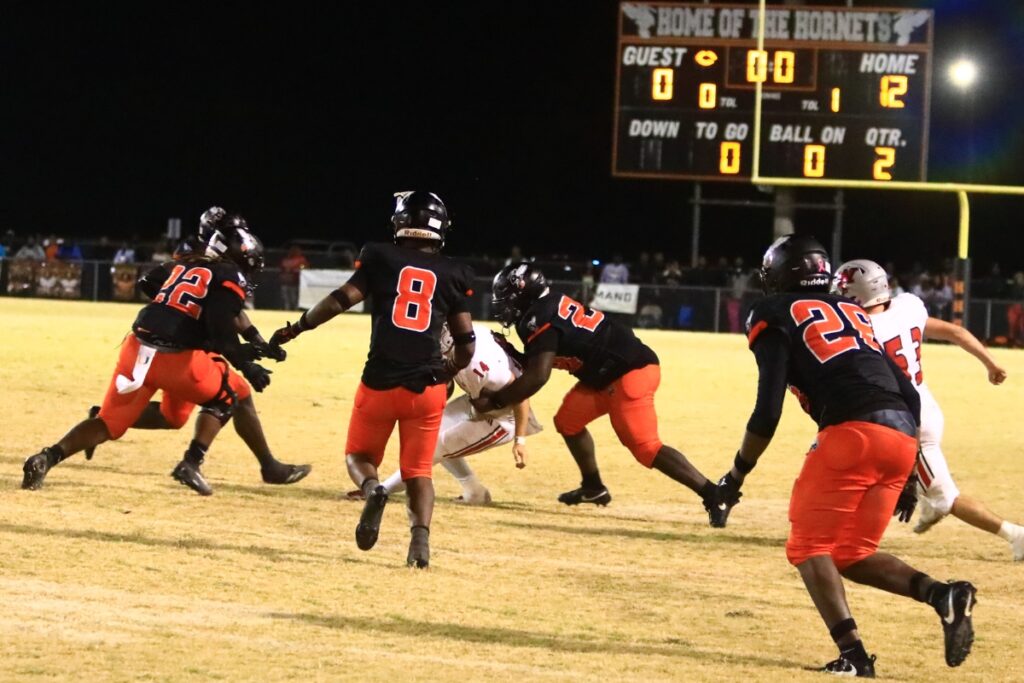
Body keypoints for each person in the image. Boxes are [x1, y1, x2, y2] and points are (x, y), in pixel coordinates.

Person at [713, 236, 977, 677]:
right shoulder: (852, 310)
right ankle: (941, 595)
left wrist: (735, 476)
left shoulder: (773, 312)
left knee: (807, 546)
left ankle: (854, 657)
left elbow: (767, 409)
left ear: (781, 273)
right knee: (850, 553)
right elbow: (907, 389)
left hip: (852, 433)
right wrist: (910, 468)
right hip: (901, 435)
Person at [269, 191, 475, 568]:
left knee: (359, 456)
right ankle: (419, 544)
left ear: (401, 221)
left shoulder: (380, 256)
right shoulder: (455, 272)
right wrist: (445, 373)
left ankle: (373, 489)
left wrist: (297, 327)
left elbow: (339, 299)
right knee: (418, 472)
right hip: (426, 387)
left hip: (380, 381)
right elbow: (466, 344)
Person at [22, 213, 289, 496]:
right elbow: (222, 329)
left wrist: (246, 340)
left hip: (136, 345)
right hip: (173, 357)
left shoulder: (190, 262)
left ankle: (46, 458)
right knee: (227, 396)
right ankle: (191, 463)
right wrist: (248, 366)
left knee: (109, 423)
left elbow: (158, 287)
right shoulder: (228, 274)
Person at [80, 208, 310, 487]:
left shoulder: (210, 257)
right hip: (188, 342)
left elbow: (227, 311)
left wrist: (257, 341)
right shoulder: (200, 255)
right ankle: (258, 466)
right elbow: (171, 290)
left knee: (173, 417)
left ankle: (103, 418)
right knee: (236, 394)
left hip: (192, 338)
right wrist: (183, 313)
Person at [472, 263, 721, 516]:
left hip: (629, 372)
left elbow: (538, 376)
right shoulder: (544, 308)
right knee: (568, 421)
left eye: (508, 297)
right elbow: (546, 357)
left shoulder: (537, 317)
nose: (503, 304)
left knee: (646, 447)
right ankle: (593, 487)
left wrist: (496, 402)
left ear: (525, 292)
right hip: (604, 375)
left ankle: (713, 494)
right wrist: (516, 355)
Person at [833, 259, 1023, 560]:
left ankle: (1014, 535)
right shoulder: (906, 308)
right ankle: (925, 500)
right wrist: (990, 363)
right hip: (924, 407)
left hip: (905, 420)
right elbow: (956, 333)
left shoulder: (861, 329)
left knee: (947, 498)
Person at [360, 323, 541, 505]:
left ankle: (381, 492)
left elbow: (521, 394)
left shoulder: (479, 365)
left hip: (504, 418)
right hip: (482, 400)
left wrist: (520, 441)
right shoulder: (465, 341)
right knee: (428, 431)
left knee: (431, 448)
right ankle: (475, 492)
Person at [279, 244, 309, 311]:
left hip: (295, 282)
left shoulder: (301, 259)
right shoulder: (286, 260)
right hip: (285, 282)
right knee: (286, 299)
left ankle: (295, 311)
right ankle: (287, 310)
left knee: (294, 298)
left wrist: (293, 270)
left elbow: (305, 268)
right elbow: (281, 269)